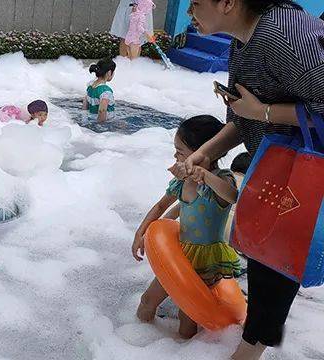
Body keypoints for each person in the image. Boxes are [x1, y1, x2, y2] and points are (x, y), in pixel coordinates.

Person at [182, 1, 324, 358]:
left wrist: (261, 111)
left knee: (276, 261)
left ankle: (249, 350)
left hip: (307, 173)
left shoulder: (287, 36)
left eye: (195, 3)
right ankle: (253, 345)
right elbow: (244, 116)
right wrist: (210, 150)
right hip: (282, 169)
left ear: (228, 3)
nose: (189, 12)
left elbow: (257, 111)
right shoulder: (243, 40)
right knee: (270, 259)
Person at [132, 115, 242, 339]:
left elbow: (232, 196)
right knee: (147, 301)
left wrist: (205, 175)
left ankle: (184, 350)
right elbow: (162, 205)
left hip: (206, 260)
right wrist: (140, 233)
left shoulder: (222, 179)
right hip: (180, 254)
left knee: (188, 317)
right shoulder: (182, 181)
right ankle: (134, 344)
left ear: (204, 151)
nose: (175, 155)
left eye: (180, 150)